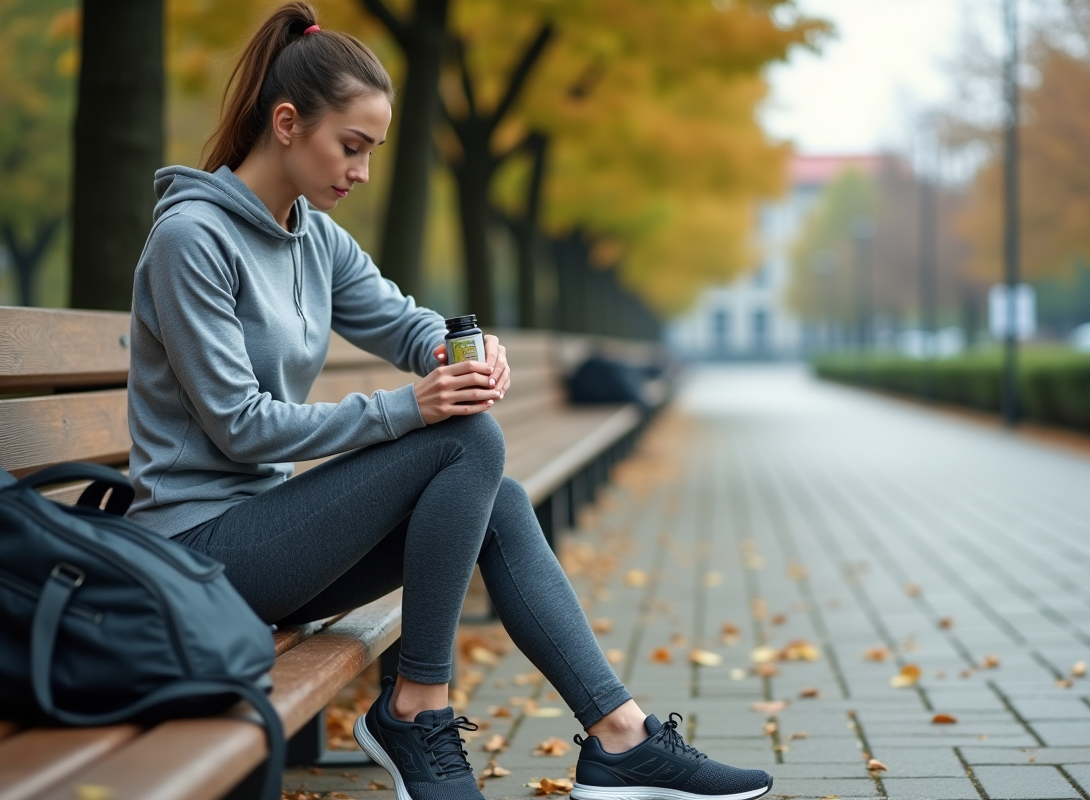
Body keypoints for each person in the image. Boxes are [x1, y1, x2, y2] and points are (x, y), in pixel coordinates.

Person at [127, 4, 774, 800]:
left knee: (491, 491)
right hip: (197, 554)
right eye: (352, 147)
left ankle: (619, 735)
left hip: (268, 543)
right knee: (465, 444)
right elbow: (240, 427)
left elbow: (405, 323)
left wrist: (462, 354)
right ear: (287, 123)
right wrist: (413, 406)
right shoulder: (192, 239)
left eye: (372, 151)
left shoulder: (313, 237)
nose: (361, 172)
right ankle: (416, 706)